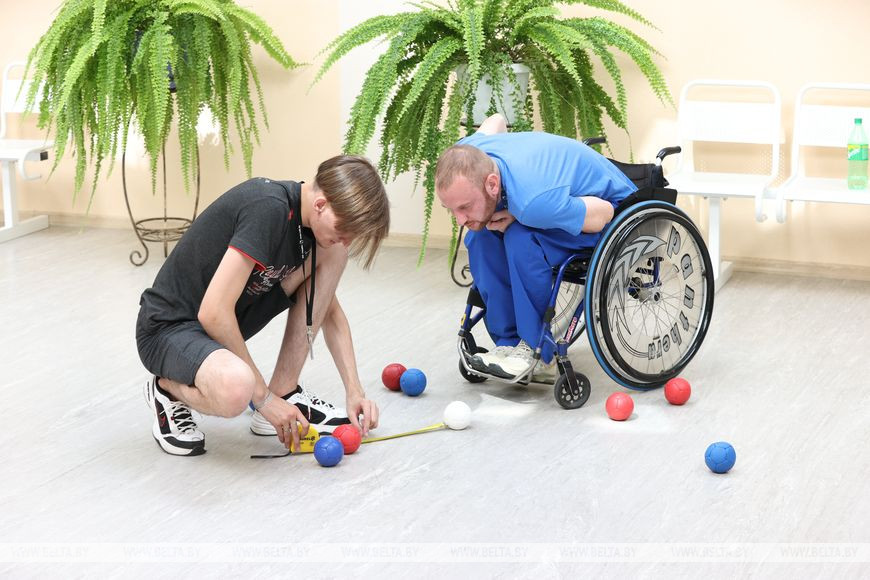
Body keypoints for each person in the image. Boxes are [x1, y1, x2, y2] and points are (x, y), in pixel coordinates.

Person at [136, 155, 389, 456]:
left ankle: (286, 391)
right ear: (321, 204)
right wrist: (263, 399)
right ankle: (167, 389)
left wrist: (354, 391)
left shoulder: (309, 230)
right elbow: (213, 312)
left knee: (333, 254)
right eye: (345, 230)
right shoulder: (268, 208)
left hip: (219, 324)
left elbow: (329, 312)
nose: (346, 240)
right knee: (237, 389)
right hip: (168, 328)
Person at [435, 114, 636, 382]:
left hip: (615, 213)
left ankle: (538, 352)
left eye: (464, 207)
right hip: (545, 200)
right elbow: (496, 120)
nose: (459, 220)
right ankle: (507, 342)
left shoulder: (533, 202)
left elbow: (605, 213)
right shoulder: (471, 152)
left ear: (492, 184)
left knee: (519, 238)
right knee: (479, 235)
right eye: (451, 210)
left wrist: (521, 214)